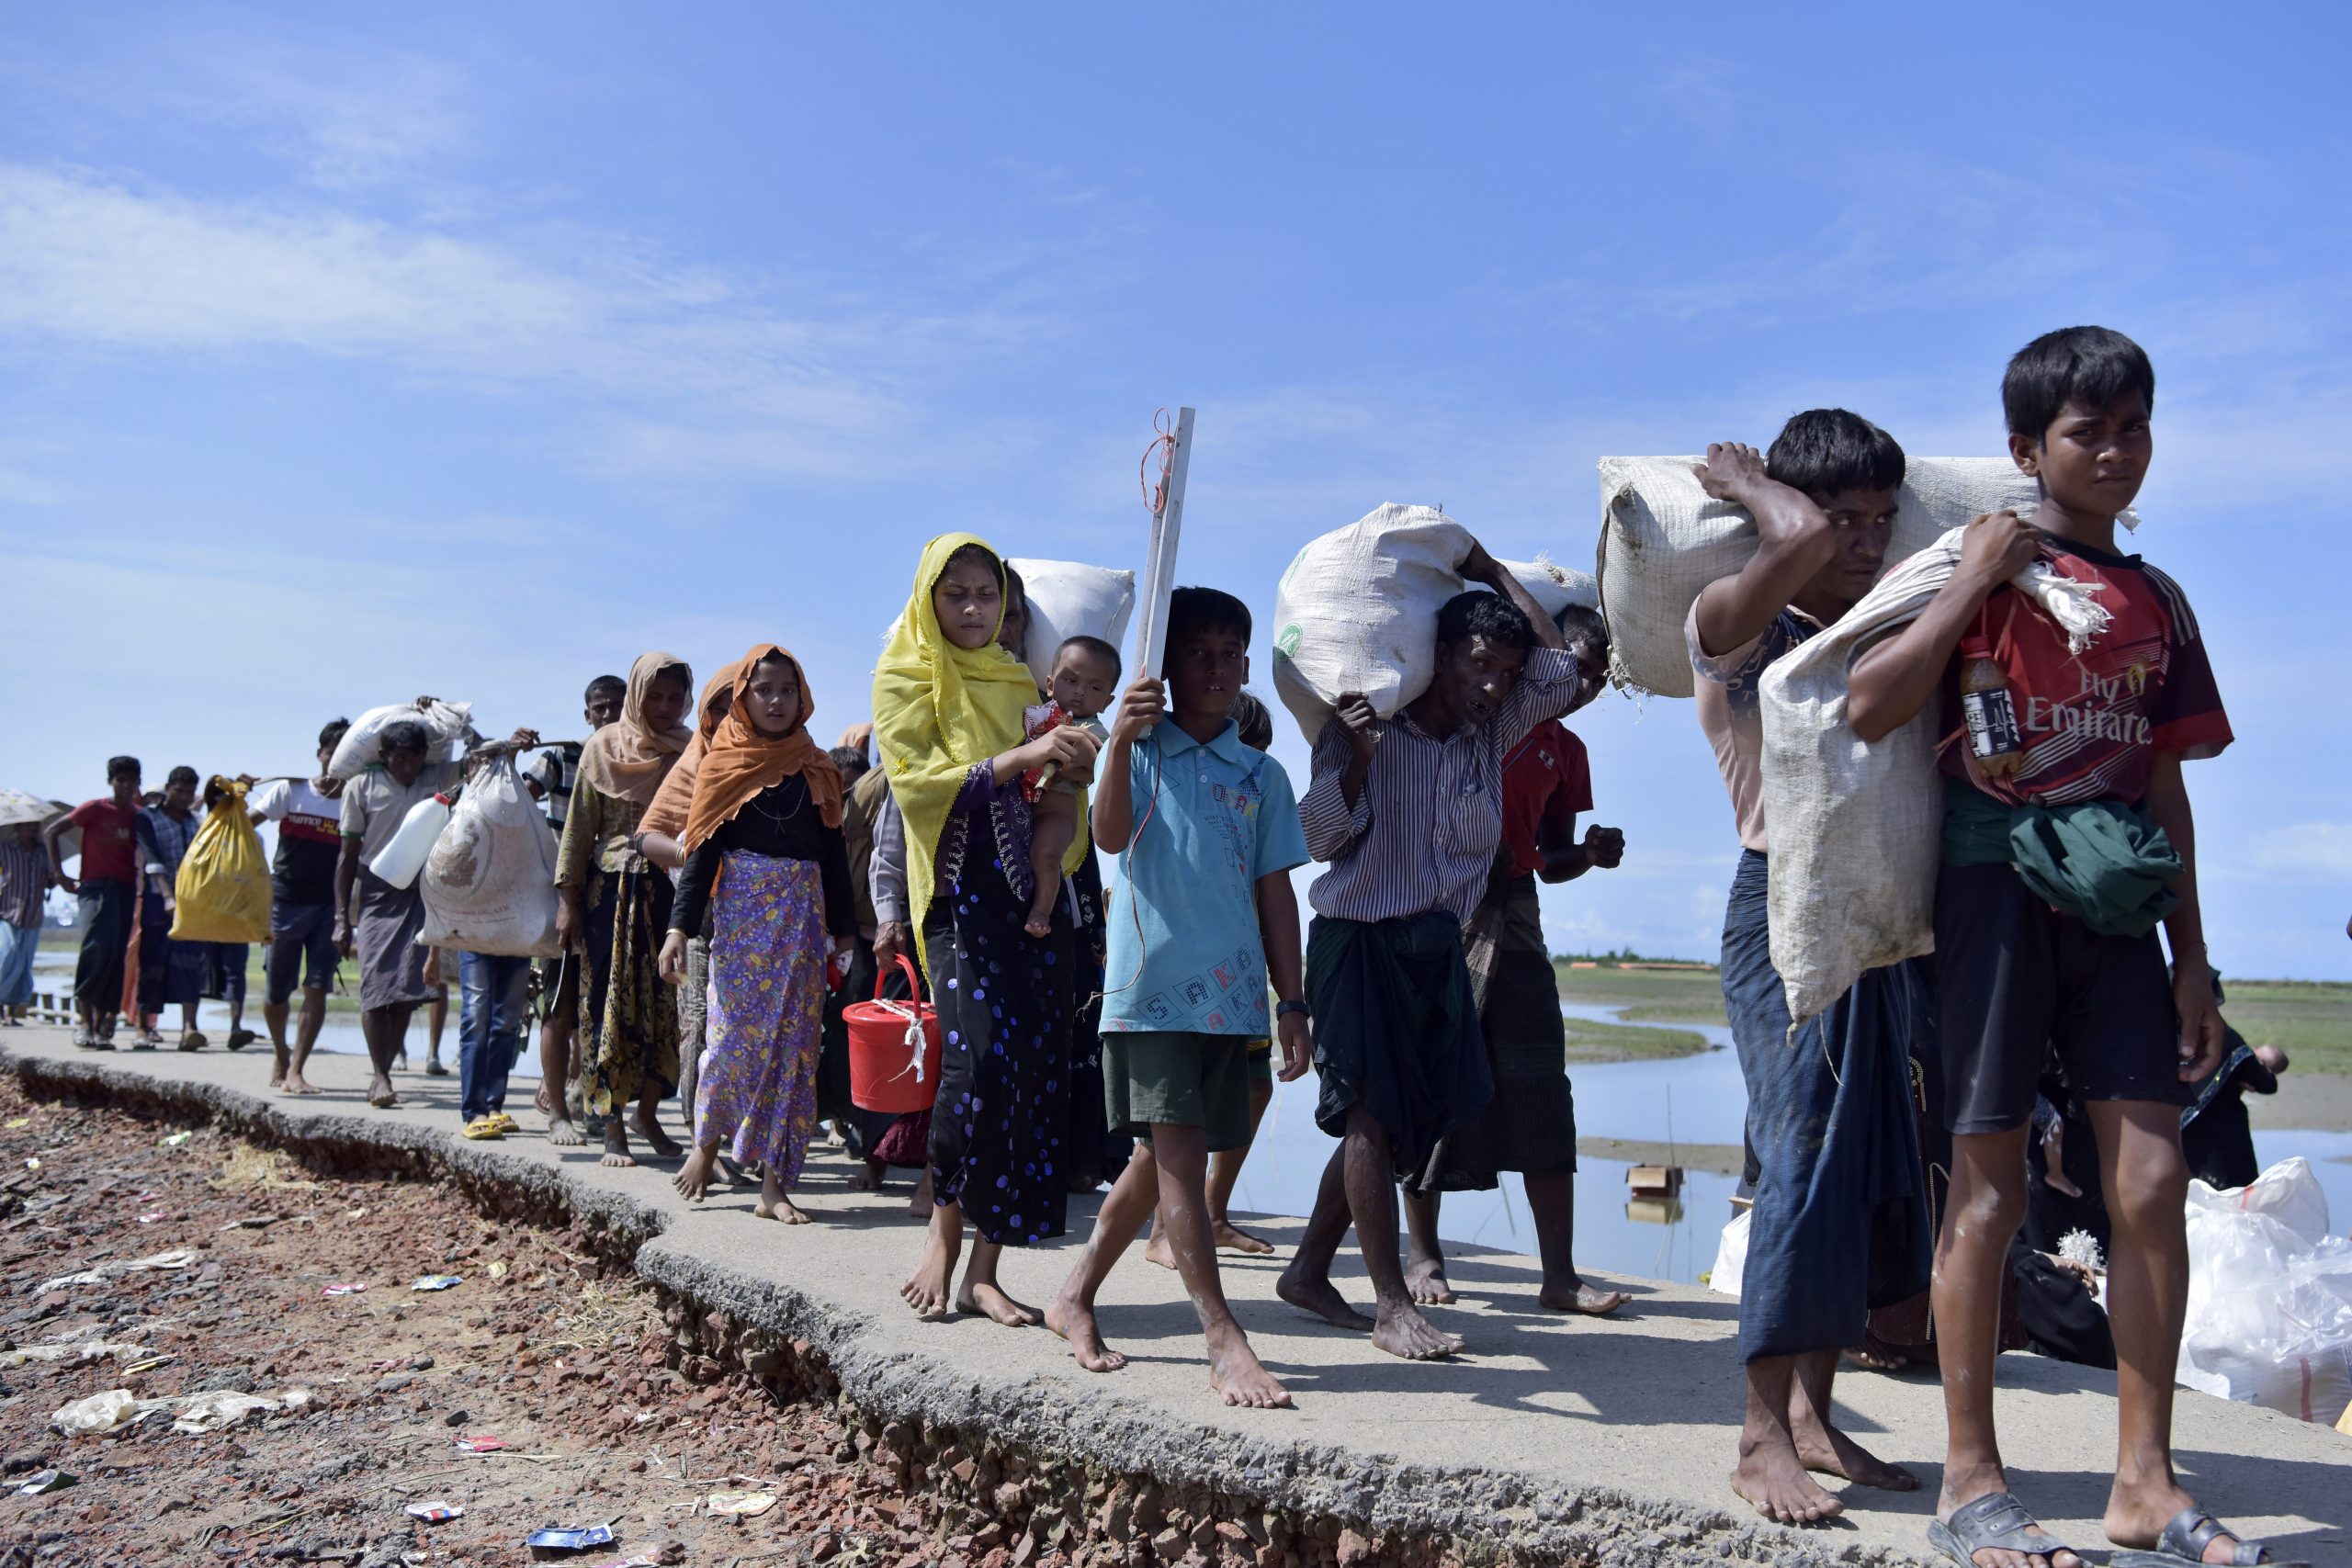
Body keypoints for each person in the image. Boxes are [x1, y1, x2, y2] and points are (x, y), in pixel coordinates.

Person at [1844, 328, 2253, 1568]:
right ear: (2029, 450)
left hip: (2119, 912)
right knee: (1991, 1187)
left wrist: (2197, 958)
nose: (2118, 449)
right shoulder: (1970, 574)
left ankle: (2145, 1478)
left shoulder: (2156, 599)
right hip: (1992, 897)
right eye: (2090, 431)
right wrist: (1973, 577)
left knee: (2150, 1185)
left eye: (2135, 425)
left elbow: (2166, 787)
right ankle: (1972, 1478)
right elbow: (1870, 701)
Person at [1686, 415, 1932, 1525]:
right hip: (1777, 905)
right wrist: (1756, 492)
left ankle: (1813, 1420)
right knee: (1796, 1153)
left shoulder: (1892, 627)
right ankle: (1754, 1437)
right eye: (1844, 520)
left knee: (1864, 1163)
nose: (1866, 543)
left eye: (1884, 520)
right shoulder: (1734, 623)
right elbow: (1782, 548)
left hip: (1878, 917)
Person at [1278, 544, 1583, 1361]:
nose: (1495, 685)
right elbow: (1317, 836)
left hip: (1435, 948)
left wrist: (1490, 569)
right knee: (1370, 1115)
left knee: (1402, 1121)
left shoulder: (1492, 732)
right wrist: (1362, 761)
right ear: (1440, 654)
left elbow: (1561, 669)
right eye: (1479, 664)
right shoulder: (1365, 726)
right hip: (1360, 940)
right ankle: (1390, 1302)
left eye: (1504, 673)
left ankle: (1308, 1269)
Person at [1045, 586, 1312, 1408]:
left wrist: (1293, 1000)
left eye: (1233, 654)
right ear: (1167, 665)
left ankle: (1074, 1293)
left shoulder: (1260, 773)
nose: (1220, 669)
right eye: (1201, 653)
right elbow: (1111, 837)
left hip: (1230, 999)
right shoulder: (1141, 748)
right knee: (1184, 1164)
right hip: (1150, 991)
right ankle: (1223, 1338)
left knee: (1156, 1160)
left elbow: (1275, 895)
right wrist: (1121, 741)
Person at [873, 533, 1097, 1324]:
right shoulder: (908, 676)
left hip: (1033, 900)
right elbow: (921, 786)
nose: (972, 609)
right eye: (955, 593)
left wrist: (1071, 755)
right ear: (929, 597)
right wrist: (1023, 756)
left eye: (986, 595)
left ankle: (988, 1265)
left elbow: (1064, 788)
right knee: (975, 1063)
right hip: (959, 894)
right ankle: (941, 1232)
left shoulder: (1020, 680)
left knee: (1036, 1070)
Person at [1403, 602, 1632, 1316]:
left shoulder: (1565, 751)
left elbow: (1549, 855)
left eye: (1598, 680)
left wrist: (1589, 856)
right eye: (1579, 672)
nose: (1586, 688)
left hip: (1517, 916)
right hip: (1445, 910)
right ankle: (1425, 1255)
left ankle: (1558, 1275)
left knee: (1541, 1088)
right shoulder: (1472, 723)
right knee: (1431, 1079)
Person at [660, 647, 855, 1222]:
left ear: (804, 699)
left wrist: (843, 932)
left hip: (801, 920)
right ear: (743, 698)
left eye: (787, 690)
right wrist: (678, 929)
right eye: (763, 690)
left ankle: (774, 1187)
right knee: (728, 1039)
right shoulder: (721, 766)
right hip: (741, 921)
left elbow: (833, 857)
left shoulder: (817, 768)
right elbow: (700, 857)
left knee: (793, 1051)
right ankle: (706, 1147)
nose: (775, 700)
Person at [1143, 688, 1280, 1267]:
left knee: (1255, 1088)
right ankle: (1159, 1232)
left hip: (1242, 975)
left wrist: (1290, 994)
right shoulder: (1178, 784)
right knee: (1174, 1114)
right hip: (1187, 975)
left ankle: (1214, 1212)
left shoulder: (1259, 789)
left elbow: (1273, 890)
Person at [558, 652, 694, 1168]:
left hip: (672, 894)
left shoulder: (692, 750)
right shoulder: (602, 748)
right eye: (653, 696)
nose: (663, 706)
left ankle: (650, 1113)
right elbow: (577, 833)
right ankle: (611, 1123)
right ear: (637, 696)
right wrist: (566, 901)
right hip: (610, 898)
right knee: (606, 1005)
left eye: (674, 697)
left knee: (670, 1006)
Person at [336, 709, 496, 1108]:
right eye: (398, 758)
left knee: (407, 988)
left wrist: (450, 717)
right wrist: (341, 916)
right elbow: (347, 854)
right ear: (386, 756)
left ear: (424, 757)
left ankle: (385, 1072)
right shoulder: (361, 786)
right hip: (377, 892)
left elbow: (483, 758)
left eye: (413, 758)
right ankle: (380, 1075)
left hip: (423, 889)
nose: (406, 766)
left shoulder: (436, 777)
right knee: (376, 985)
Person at [528, 673, 623, 1144]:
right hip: (564, 894)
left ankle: (595, 1102)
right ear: (587, 714)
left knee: (603, 1006)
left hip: (612, 897)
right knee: (560, 1004)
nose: (607, 716)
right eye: (599, 708)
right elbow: (524, 790)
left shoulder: (632, 761)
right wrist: (511, 750)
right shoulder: (562, 758)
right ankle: (558, 1113)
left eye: (615, 708)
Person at [242, 720, 350, 1094]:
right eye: (331, 752)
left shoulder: (354, 802)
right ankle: (281, 1054)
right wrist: (235, 797)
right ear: (320, 754)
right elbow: (242, 826)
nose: (336, 760)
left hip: (329, 907)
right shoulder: (292, 791)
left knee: (317, 987)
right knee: (275, 993)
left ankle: (297, 1070)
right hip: (285, 902)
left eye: (345, 754)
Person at [1019, 636, 1120, 939]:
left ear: (1108, 701)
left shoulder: (1091, 728)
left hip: (1057, 813)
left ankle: (1041, 912)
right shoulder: (1038, 711)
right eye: (1071, 680)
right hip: (1021, 805)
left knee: (1046, 856)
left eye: (1095, 687)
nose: (1080, 692)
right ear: (1050, 683)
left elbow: (1093, 756)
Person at [47, 756, 141, 1048]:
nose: (125, 786)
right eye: (120, 780)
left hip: (124, 890)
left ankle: (102, 1024)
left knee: (115, 956)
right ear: (111, 782)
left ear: (138, 782)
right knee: (94, 950)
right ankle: (84, 1022)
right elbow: (52, 831)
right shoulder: (94, 809)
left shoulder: (138, 816)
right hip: (93, 889)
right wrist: (60, 875)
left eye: (131, 780)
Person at [133, 766, 208, 1050]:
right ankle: (143, 1026)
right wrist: (167, 898)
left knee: (190, 963)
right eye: (179, 791)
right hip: (157, 899)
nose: (184, 798)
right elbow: (152, 860)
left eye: (190, 793)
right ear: (168, 788)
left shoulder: (196, 821)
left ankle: (189, 1028)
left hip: (190, 902)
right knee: (152, 961)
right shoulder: (147, 818)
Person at [0, 820, 53, 1023]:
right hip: (8, 912)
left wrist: (53, 879)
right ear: (17, 828)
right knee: (8, 956)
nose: (32, 829)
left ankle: (11, 1012)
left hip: (33, 914)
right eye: (27, 825)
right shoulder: (5, 849)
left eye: (35, 826)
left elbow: (51, 878)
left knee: (23, 964)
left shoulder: (43, 851)